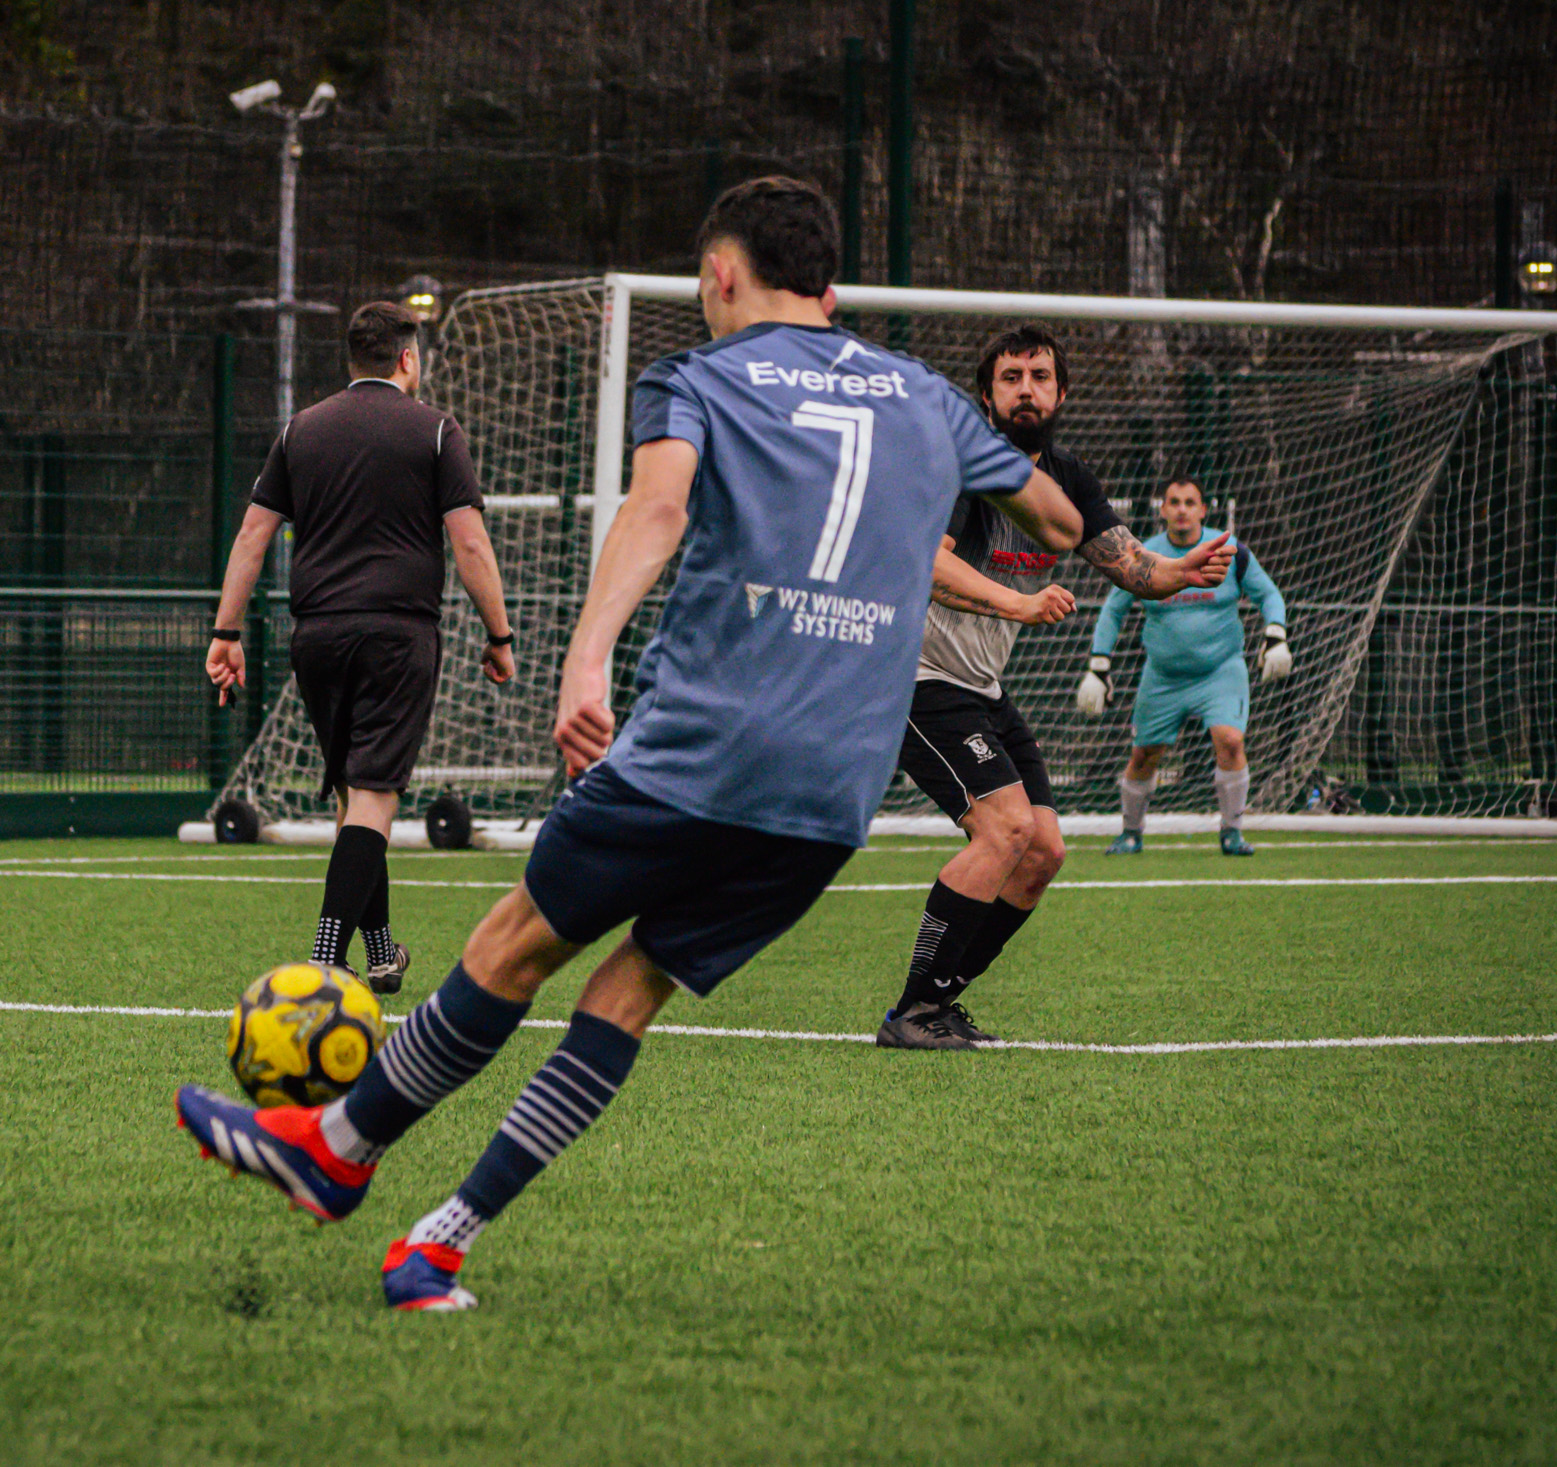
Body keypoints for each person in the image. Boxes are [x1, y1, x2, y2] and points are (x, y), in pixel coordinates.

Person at [174, 175, 1084, 1309]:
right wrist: (1122, 561)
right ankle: (439, 1241)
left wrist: (587, 652)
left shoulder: (696, 374)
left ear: (718, 274)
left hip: (703, 744)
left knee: (513, 943)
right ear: (833, 285)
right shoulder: (928, 396)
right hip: (831, 789)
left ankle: (338, 1148)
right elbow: (1054, 521)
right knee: (633, 987)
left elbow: (655, 511)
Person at [876, 327, 1236, 1051]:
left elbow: (1135, 566)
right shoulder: (961, 469)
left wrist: (1182, 568)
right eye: (1011, 377)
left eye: (1040, 375)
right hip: (916, 677)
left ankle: (938, 1002)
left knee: (1042, 852)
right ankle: (913, 1012)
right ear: (986, 396)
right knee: (1005, 828)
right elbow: (926, 566)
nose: (1027, 388)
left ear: (1062, 393)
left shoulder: (1067, 481)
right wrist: (1018, 603)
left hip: (981, 684)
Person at [204, 301, 516, 994]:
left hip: (316, 636)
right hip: (398, 636)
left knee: (356, 796)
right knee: (374, 797)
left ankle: (380, 950)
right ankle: (323, 959)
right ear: (408, 358)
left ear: (352, 360)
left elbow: (253, 537)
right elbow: (469, 542)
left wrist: (226, 634)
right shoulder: (435, 429)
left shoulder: (301, 429)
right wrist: (500, 635)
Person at [1080, 474, 1291, 856]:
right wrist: (1098, 665)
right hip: (1162, 677)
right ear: (1163, 510)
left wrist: (1276, 634)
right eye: (1173, 502)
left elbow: (1269, 594)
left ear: (1203, 511)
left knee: (1230, 741)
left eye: (1189, 503)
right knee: (1145, 754)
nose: (1181, 510)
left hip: (1221, 671)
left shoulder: (1230, 551)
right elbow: (1113, 610)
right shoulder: (1143, 556)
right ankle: (1130, 832)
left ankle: (1232, 832)